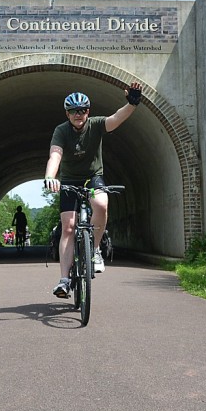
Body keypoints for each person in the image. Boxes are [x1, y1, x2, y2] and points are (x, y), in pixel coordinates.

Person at [43, 82, 142, 297]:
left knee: (101, 204)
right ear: (67, 114)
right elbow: (55, 155)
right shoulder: (61, 131)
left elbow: (115, 119)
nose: (78, 115)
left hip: (92, 178)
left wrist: (132, 104)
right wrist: (51, 177)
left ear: (88, 111)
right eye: (73, 111)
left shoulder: (96, 124)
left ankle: (95, 250)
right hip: (69, 180)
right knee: (68, 227)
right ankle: (64, 280)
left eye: (82, 110)